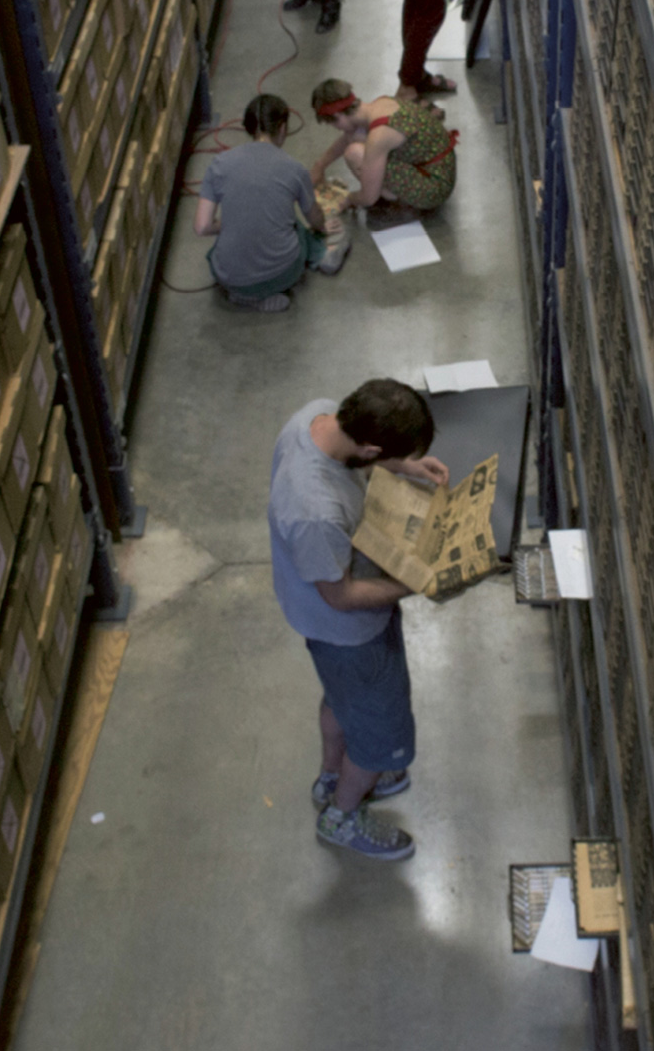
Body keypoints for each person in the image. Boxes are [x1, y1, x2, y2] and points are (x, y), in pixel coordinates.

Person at [269, 379, 449, 860]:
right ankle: (343, 815)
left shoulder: (320, 414)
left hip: (324, 631)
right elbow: (342, 596)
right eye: (389, 455)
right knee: (380, 737)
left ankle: (332, 776)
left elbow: (364, 468)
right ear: (369, 447)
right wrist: (417, 582)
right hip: (348, 632)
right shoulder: (315, 511)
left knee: (342, 698)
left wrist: (405, 465)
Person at [195, 94, 348, 311]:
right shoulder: (294, 169)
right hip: (281, 275)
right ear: (283, 128)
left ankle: (244, 296)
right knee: (293, 222)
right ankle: (321, 254)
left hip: (229, 278)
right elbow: (313, 216)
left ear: (249, 128)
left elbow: (201, 227)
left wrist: (232, 221)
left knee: (217, 252)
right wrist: (321, 226)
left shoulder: (219, 163)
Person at [308, 78, 457, 225]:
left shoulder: (380, 134)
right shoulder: (379, 105)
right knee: (356, 136)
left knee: (354, 153)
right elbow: (346, 137)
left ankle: (400, 205)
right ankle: (393, 194)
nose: (337, 129)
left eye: (333, 124)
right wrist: (320, 165)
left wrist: (348, 200)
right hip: (439, 169)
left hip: (434, 189)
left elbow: (368, 198)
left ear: (337, 116)